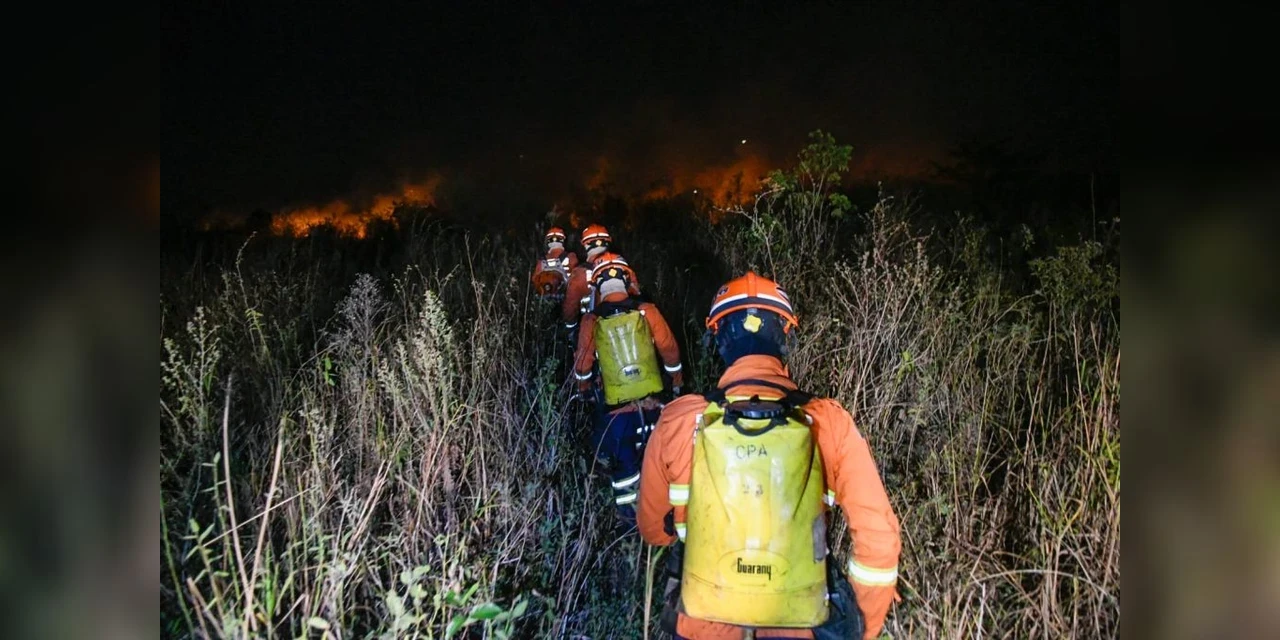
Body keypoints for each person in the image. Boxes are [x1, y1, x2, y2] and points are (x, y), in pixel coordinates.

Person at [637, 272, 901, 640]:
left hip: (702, 624)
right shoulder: (829, 423)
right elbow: (880, 543)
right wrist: (861, 627)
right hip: (799, 625)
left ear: (717, 337)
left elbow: (653, 532)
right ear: (786, 335)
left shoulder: (679, 420)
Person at [573, 264, 682, 525]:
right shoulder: (647, 310)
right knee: (661, 459)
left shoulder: (592, 320)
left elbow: (583, 363)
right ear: (625, 283)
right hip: (653, 402)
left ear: (598, 288)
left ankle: (629, 521)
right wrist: (677, 382)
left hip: (617, 411)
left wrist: (584, 390)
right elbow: (669, 349)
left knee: (624, 467)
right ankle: (668, 514)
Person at [561, 224, 641, 333]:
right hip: (631, 326)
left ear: (585, 244)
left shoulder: (580, 274)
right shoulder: (622, 265)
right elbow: (636, 293)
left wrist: (570, 327)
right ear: (607, 242)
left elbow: (571, 306)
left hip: (598, 329)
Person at [531, 226, 578, 299]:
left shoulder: (542, 260)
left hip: (545, 298)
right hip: (566, 296)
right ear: (562, 240)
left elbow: (535, 280)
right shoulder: (571, 256)